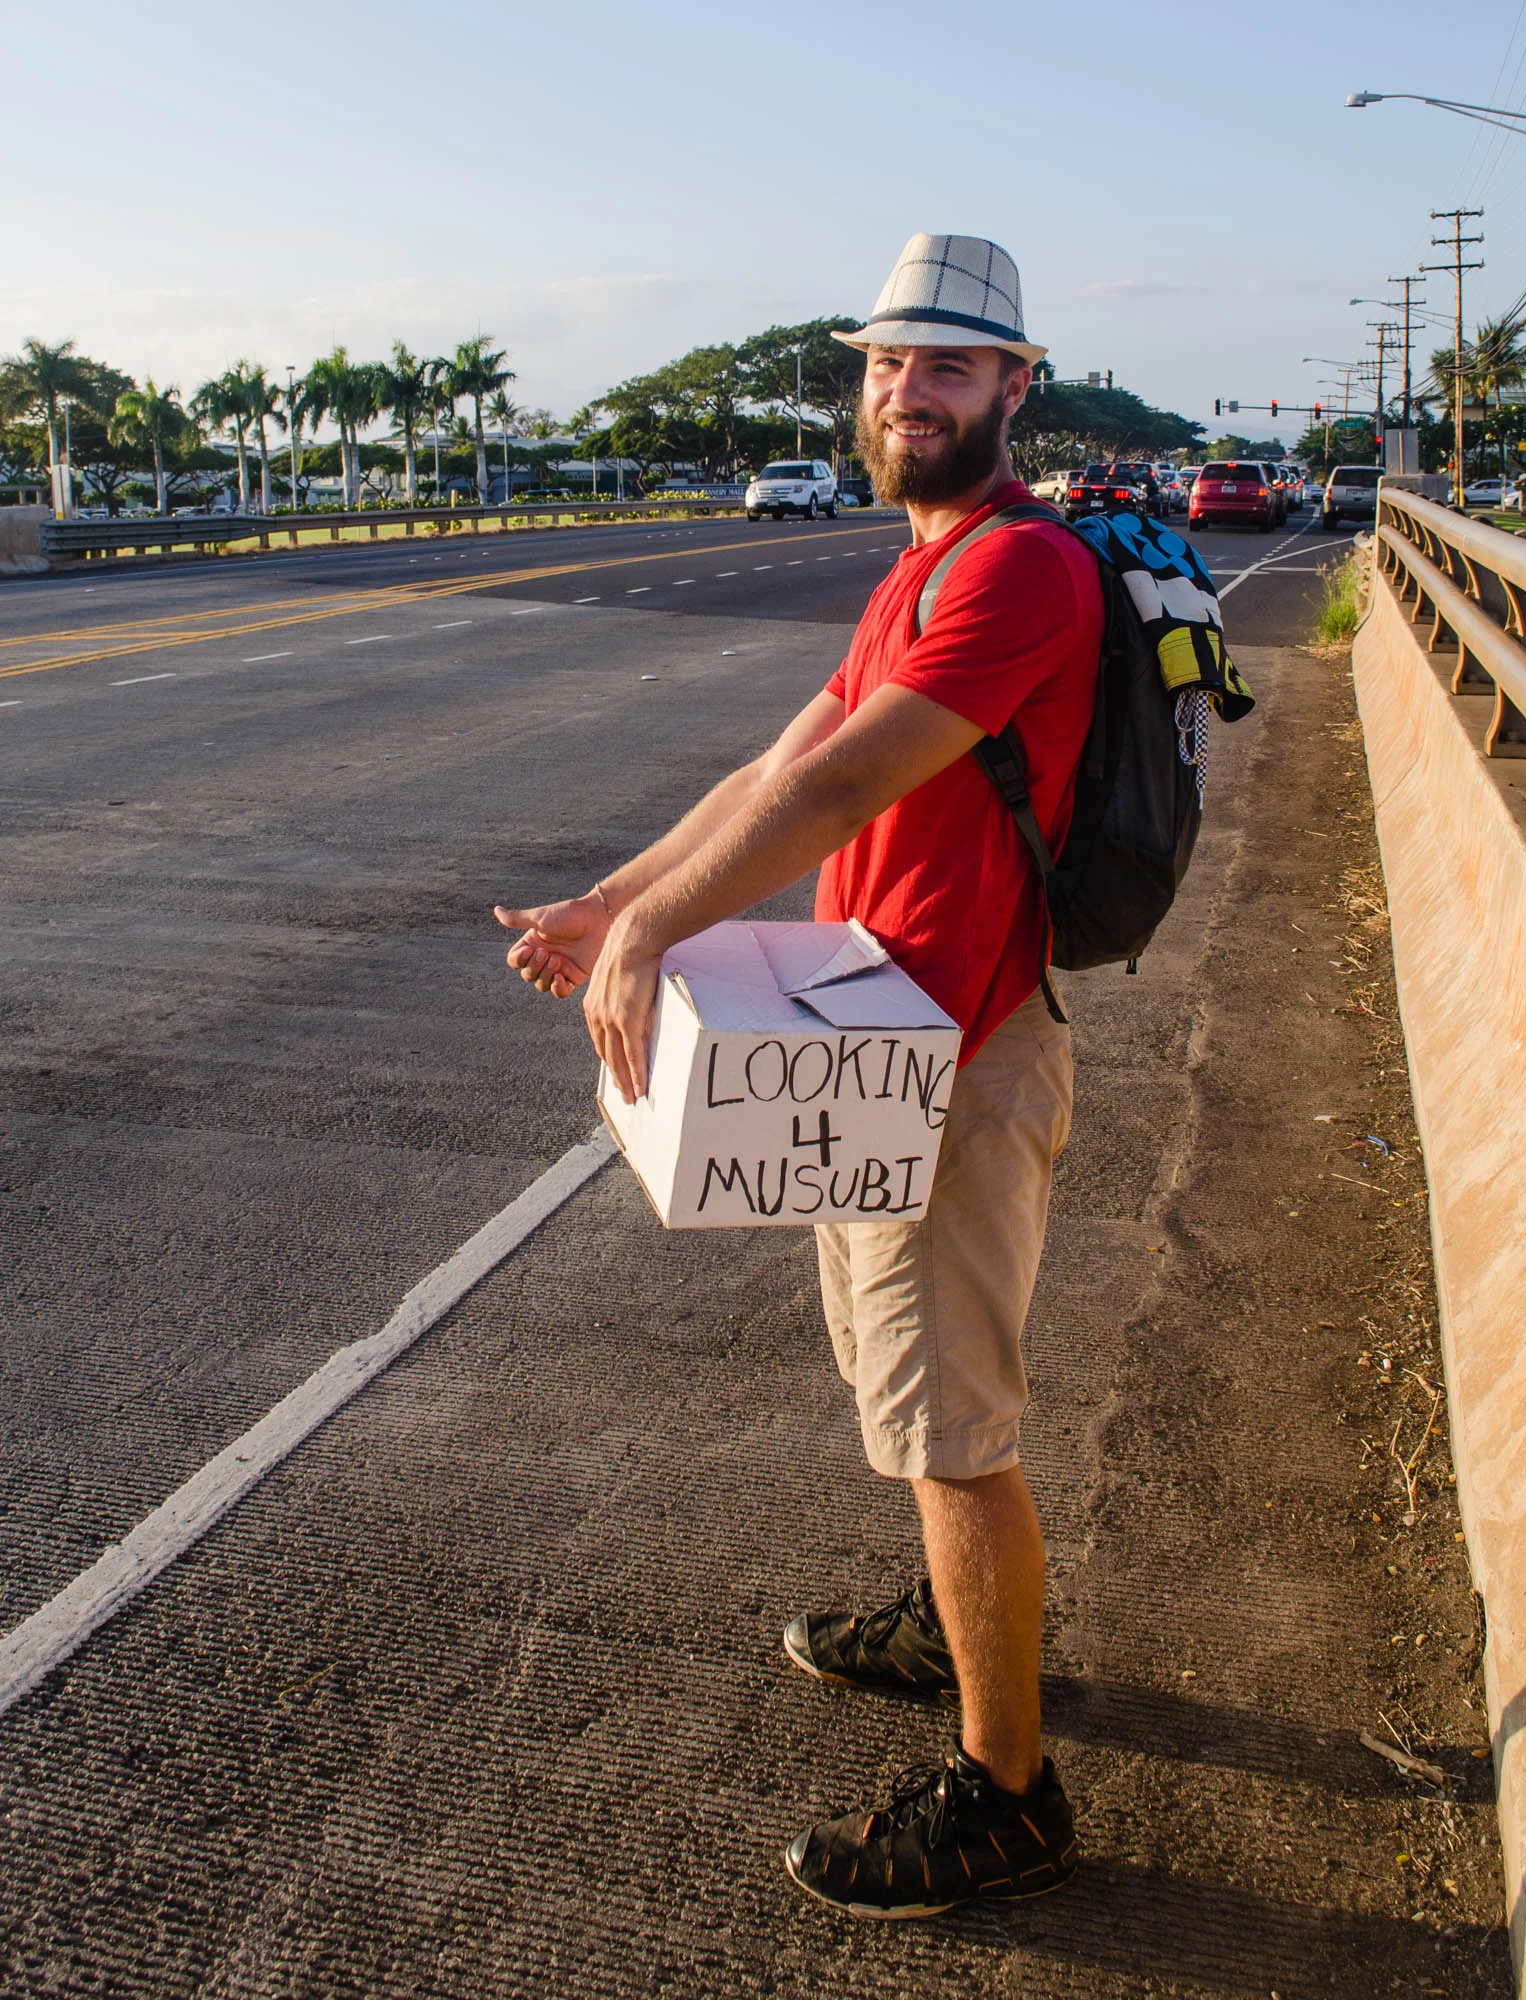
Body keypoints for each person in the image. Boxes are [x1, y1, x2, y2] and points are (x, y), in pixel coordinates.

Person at [494, 233, 1103, 1917]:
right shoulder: (921, 567)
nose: (909, 392)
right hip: (871, 1040)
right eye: (889, 364)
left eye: (949, 366)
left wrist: (655, 934)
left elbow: (845, 792)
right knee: (899, 1391)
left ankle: (1010, 1793)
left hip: (956, 1054)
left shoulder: (1019, 570)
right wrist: (616, 900)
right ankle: (955, 1630)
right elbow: (782, 765)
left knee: (953, 1427)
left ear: (1014, 387)